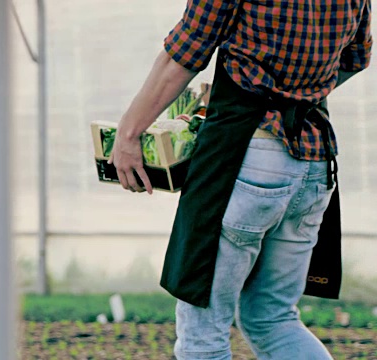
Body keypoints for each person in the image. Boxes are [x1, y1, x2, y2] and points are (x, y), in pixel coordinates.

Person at [109, 0, 372, 358]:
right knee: (274, 320)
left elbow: (183, 55)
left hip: (247, 159)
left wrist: (128, 134)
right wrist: (294, 96)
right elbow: (355, 60)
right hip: (313, 164)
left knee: (203, 330)